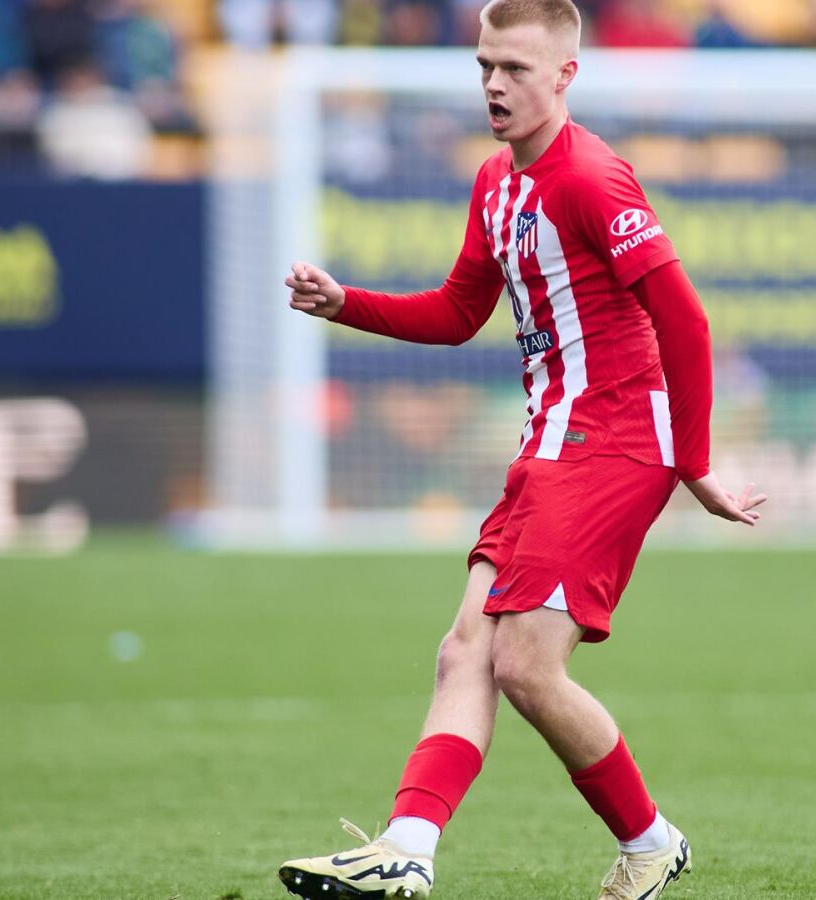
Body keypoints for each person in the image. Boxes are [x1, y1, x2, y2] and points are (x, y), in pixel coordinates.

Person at [276, 1, 765, 897]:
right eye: (485, 67)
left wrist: (693, 462)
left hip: (616, 440)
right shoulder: (495, 181)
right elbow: (460, 312)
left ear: (566, 75)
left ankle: (649, 842)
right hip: (550, 442)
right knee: (465, 651)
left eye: (515, 70)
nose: (495, 86)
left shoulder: (593, 179)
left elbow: (686, 322)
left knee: (526, 664)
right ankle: (407, 851)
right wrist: (349, 304)